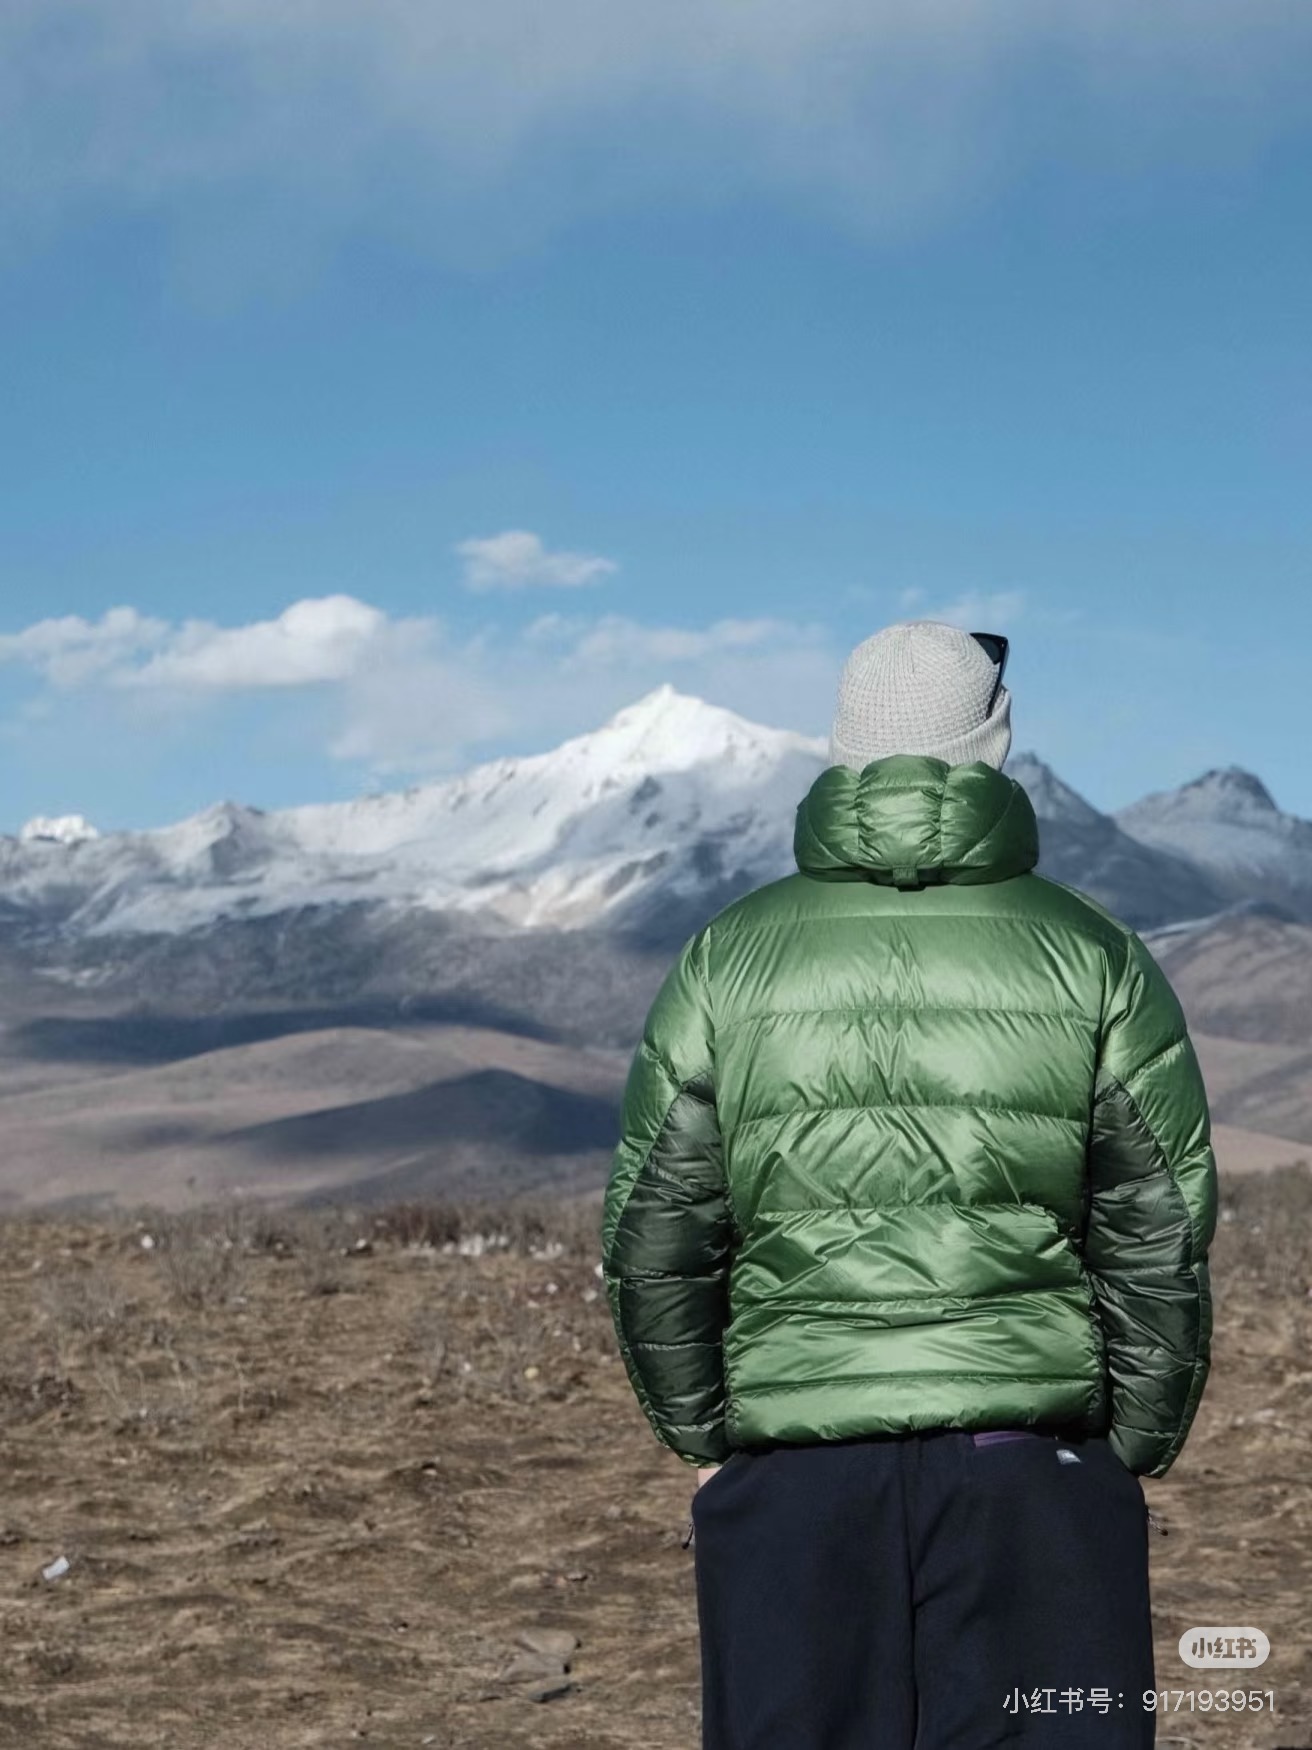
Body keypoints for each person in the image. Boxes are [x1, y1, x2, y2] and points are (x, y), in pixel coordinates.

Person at [600, 619, 1217, 1749]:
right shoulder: (1095, 953)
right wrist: (1118, 1448)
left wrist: (713, 1434)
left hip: (795, 1476)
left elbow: (657, 1230)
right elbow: (1155, 1230)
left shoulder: (725, 957)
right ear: (994, 743)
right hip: (1032, 1469)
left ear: (841, 746)